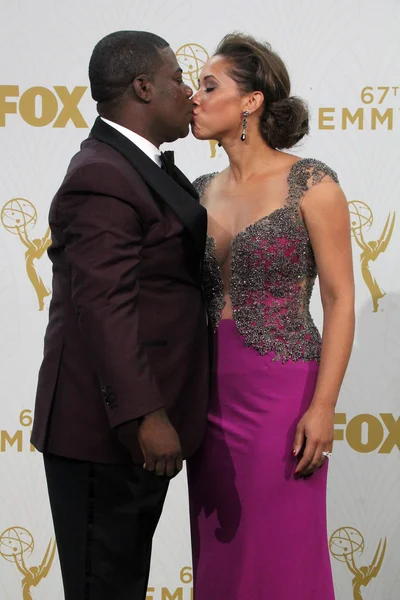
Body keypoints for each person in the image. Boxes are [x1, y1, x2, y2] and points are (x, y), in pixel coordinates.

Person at [30, 30, 210, 600]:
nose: (188, 93)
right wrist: (145, 416)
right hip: (107, 438)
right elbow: (104, 305)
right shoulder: (103, 175)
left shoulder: (135, 165)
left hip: (133, 434)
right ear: (142, 86)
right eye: (178, 79)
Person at [188, 33, 355, 599]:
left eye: (209, 85)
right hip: (207, 393)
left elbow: (339, 300)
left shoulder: (312, 183)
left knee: (281, 548)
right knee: (220, 550)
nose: (194, 97)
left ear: (251, 102)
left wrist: (324, 405)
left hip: (283, 392)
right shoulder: (198, 190)